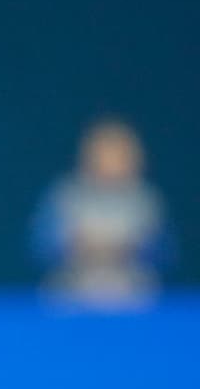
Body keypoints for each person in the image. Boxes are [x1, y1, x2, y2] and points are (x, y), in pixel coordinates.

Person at [30, 117, 173, 306]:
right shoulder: (66, 196)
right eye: (104, 154)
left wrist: (127, 247)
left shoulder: (145, 200)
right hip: (75, 285)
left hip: (130, 287)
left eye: (119, 156)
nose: (110, 163)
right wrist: (77, 245)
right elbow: (42, 245)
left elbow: (162, 250)